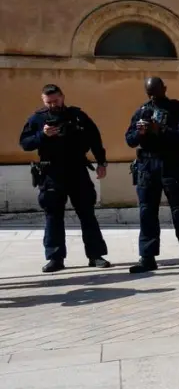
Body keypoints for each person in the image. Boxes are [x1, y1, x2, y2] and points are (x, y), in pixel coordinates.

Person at [19, 84, 111, 273]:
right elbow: (25, 143)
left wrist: (102, 163)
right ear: (43, 101)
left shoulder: (77, 116)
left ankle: (95, 256)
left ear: (63, 96)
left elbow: (95, 139)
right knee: (53, 216)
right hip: (52, 173)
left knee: (87, 213)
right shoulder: (37, 119)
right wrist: (42, 135)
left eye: (56, 100)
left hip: (77, 170)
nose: (53, 105)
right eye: (49, 102)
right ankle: (55, 258)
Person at [124, 77, 179, 273]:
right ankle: (147, 257)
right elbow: (129, 140)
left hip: (171, 164)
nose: (153, 97)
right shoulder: (141, 111)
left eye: (156, 92)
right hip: (147, 166)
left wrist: (161, 130)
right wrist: (140, 133)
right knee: (147, 212)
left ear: (164, 89)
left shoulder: (177, 109)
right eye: (149, 93)